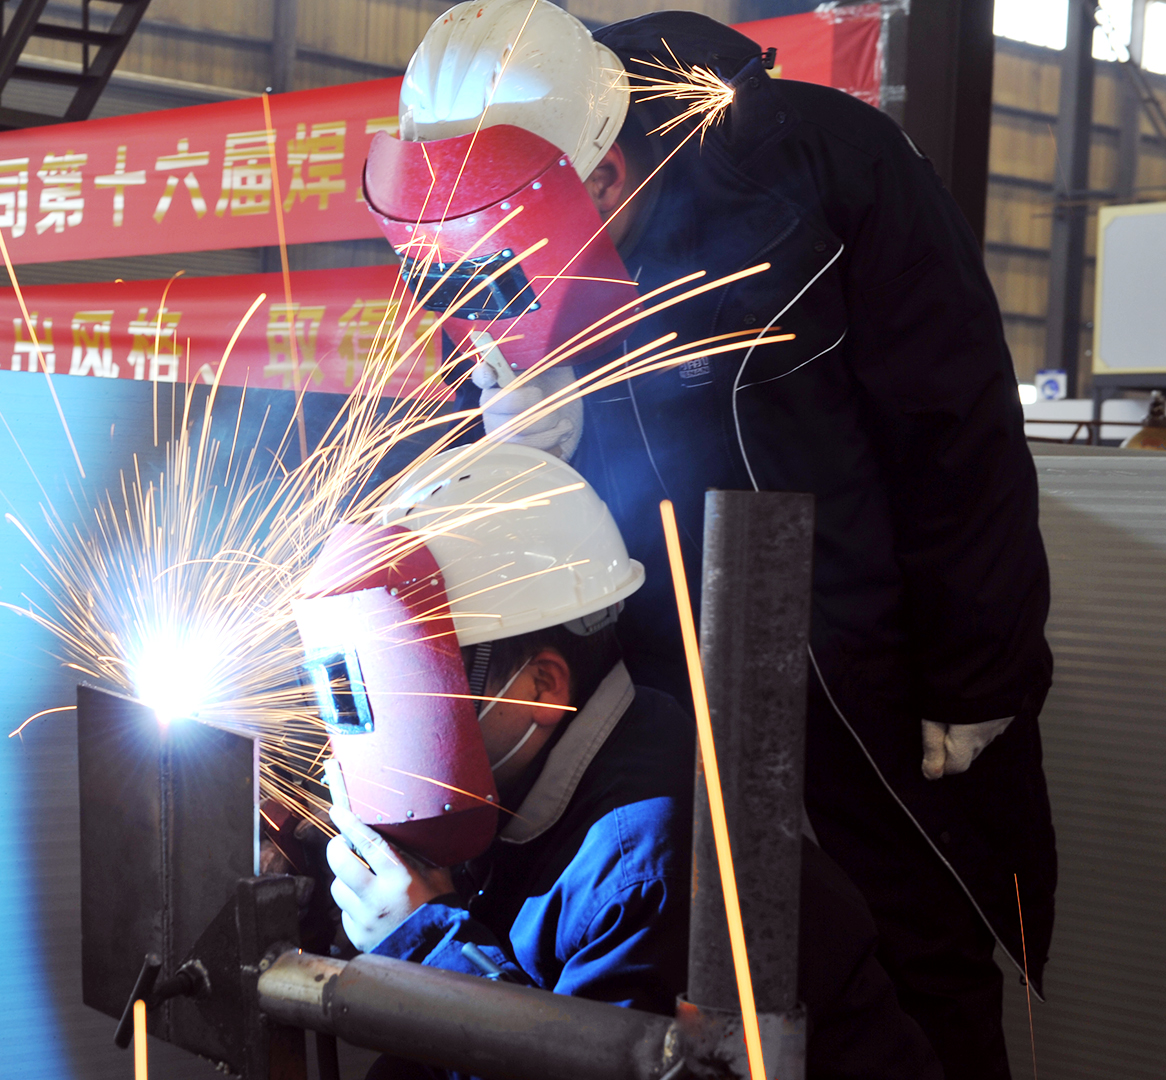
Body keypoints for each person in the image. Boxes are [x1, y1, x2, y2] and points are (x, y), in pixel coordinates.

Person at [364, 7, 1054, 1077]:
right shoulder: (478, 230)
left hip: (858, 676)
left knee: (913, 957)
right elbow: (477, 471)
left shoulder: (820, 169)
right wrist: (518, 449)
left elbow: (956, 429)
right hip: (654, 686)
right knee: (699, 982)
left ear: (602, 174)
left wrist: (979, 672)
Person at [298, 442, 940, 1079]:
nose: (393, 719)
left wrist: (425, 946)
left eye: (417, 685)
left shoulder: (646, 868)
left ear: (541, 688)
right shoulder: (531, 772)